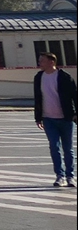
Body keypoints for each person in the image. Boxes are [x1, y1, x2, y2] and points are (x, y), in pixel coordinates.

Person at [33, 51, 77, 187]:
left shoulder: (64, 77)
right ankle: (60, 176)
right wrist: (38, 118)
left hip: (66, 118)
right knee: (54, 147)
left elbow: (75, 95)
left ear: (51, 62)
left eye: (42, 60)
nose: (39, 63)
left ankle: (71, 176)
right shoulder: (39, 77)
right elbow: (37, 98)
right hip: (48, 118)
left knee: (68, 148)